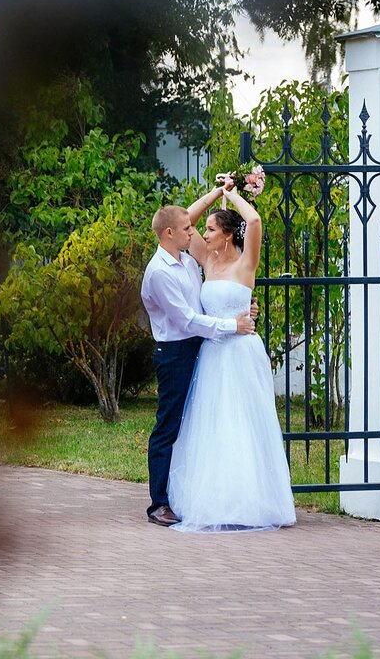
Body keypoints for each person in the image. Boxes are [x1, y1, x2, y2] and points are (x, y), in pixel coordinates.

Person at [166, 178, 297, 532]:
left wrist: (234, 195)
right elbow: (184, 220)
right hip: (214, 355)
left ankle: (250, 502)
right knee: (215, 426)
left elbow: (253, 223)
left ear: (226, 234)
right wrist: (215, 192)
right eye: (205, 230)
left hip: (242, 354)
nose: (203, 234)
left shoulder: (245, 265)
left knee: (244, 424)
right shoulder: (207, 261)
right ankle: (217, 500)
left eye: (211, 229)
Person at [140, 185, 256, 527]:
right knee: (169, 427)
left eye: (201, 228)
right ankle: (158, 504)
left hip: (203, 348)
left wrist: (218, 191)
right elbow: (187, 320)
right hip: (175, 352)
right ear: (171, 233)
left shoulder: (188, 262)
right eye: (190, 228)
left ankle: (199, 494)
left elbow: (206, 304)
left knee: (201, 425)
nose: (195, 230)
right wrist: (231, 325)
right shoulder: (159, 272)